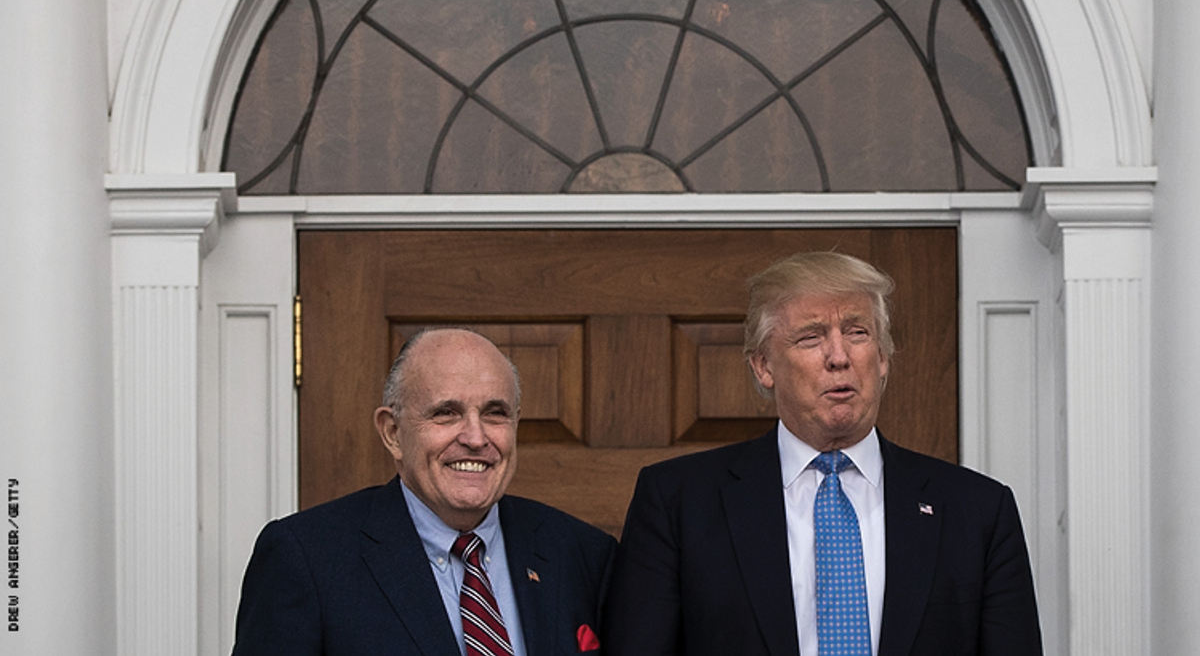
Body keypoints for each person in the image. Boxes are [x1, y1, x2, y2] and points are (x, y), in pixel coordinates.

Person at [602, 252, 1042, 656]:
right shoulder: (678, 502)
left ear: (883, 357)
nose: (839, 356)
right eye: (811, 337)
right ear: (764, 366)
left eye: (857, 332)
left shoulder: (978, 510)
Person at [232, 328, 616, 656]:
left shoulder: (583, 554)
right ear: (392, 433)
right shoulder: (307, 558)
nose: (476, 438)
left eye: (495, 413)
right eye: (446, 413)